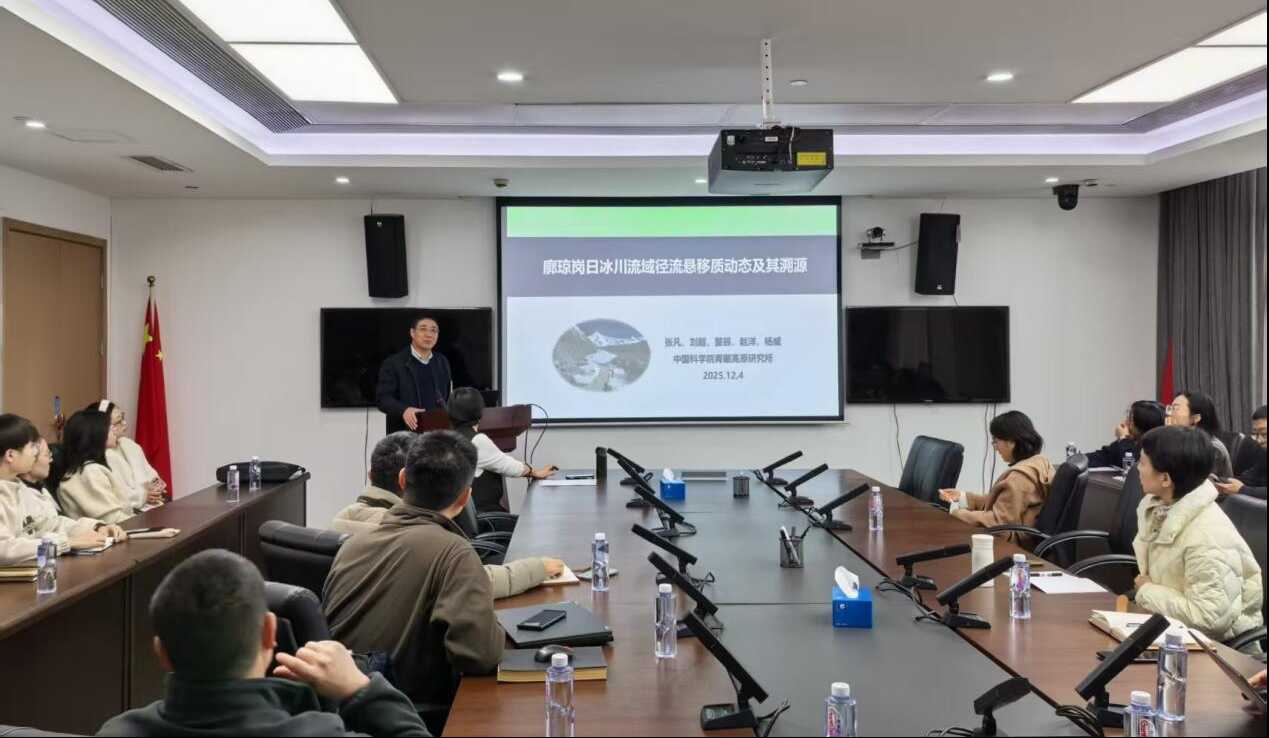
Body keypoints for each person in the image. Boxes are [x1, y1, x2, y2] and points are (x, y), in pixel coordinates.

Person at [96, 549, 429, 737]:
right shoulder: (320, 733)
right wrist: (360, 688)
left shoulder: (115, 732)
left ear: (161, 652)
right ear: (270, 633)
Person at [324, 431, 503, 706]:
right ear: (465, 497)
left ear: (402, 479)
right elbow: (479, 657)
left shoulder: (351, 545)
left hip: (342, 709)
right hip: (407, 713)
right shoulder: (455, 553)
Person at [330, 431, 566, 599]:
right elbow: (480, 583)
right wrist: (539, 568)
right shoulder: (410, 536)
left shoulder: (339, 523)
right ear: (407, 479)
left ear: (370, 475)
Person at [1130, 426, 1263, 643]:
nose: (1137, 468)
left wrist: (1146, 591)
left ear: (1166, 479)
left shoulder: (1207, 537)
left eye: (1143, 463)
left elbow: (1209, 620)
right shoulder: (1160, 509)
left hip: (1219, 650)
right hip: (1172, 632)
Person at [1, 415, 123, 566]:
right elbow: (5, 550)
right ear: (10, 455)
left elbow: (52, 524)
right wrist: (68, 543)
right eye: (32, 446)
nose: (35, 452)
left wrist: (96, 527)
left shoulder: (20, 488)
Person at [938, 410, 1055, 545]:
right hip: (1027, 536)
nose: (995, 447)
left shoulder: (1019, 478)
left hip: (1013, 546)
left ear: (1011, 442)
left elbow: (998, 523)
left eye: (996, 441)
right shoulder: (1039, 462)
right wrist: (963, 497)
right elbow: (1007, 503)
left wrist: (957, 513)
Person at [446, 387, 557, 511]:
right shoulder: (477, 441)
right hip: (484, 515)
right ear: (480, 412)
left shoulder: (448, 438)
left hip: (460, 516)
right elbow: (509, 467)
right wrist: (534, 472)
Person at [57, 409, 138, 524]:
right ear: (95, 435)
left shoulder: (90, 468)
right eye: (109, 428)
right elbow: (113, 519)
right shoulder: (89, 472)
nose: (115, 430)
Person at [376, 315, 453, 434]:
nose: (429, 334)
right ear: (412, 333)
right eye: (423, 329)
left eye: (433, 330)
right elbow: (383, 399)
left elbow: (446, 396)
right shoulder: (393, 363)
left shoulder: (442, 361)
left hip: (437, 432)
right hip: (405, 432)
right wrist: (404, 410)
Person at [94, 400, 166, 508]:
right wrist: (144, 496)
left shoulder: (129, 444)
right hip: (129, 512)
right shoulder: (101, 456)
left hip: (152, 506)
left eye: (123, 417)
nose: (124, 423)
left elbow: (150, 474)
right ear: (103, 427)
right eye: (119, 421)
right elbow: (117, 495)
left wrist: (157, 488)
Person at [1166, 391, 1234, 478]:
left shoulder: (1211, 448)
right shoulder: (1179, 441)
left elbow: (1199, 484)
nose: (1169, 413)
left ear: (1196, 418)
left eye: (1175, 408)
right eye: (1170, 408)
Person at [1085, 400, 1165, 469]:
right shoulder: (1127, 443)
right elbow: (1101, 456)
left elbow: (1131, 467)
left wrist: (1123, 438)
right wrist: (1079, 460)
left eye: (1130, 419)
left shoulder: (1157, 450)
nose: (1125, 423)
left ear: (1143, 425)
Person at [1216, 404, 1266, 499]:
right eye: (1256, 434)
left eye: (1264, 433)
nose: (1259, 440)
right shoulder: (1264, 452)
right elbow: (1252, 477)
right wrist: (1222, 481)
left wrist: (1242, 489)